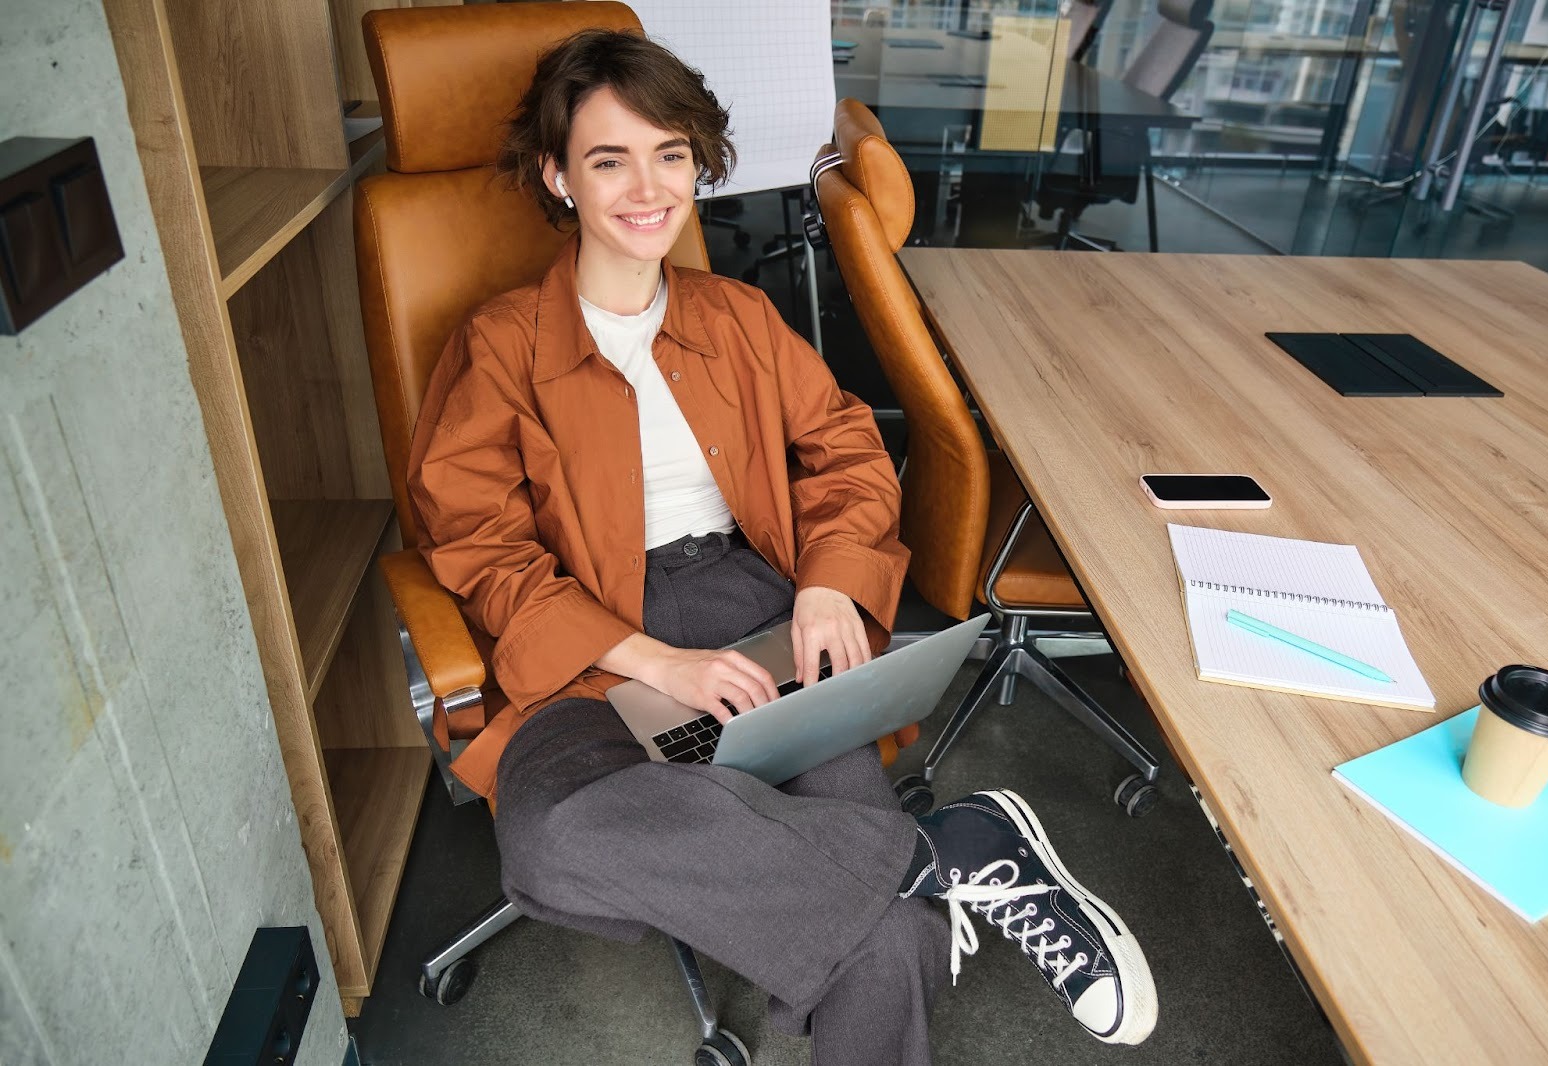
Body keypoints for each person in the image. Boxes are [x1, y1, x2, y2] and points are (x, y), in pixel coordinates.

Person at [407, 28, 1157, 1065]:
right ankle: (947, 848)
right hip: (584, 652)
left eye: (669, 154)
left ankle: (891, 869)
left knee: (887, 936)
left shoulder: (740, 316)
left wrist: (828, 588)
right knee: (551, 843)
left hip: (751, 608)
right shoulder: (499, 346)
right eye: (608, 158)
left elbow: (848, 454)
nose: (646, 188)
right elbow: (476, 541)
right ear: (556, 175)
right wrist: (652, 660)